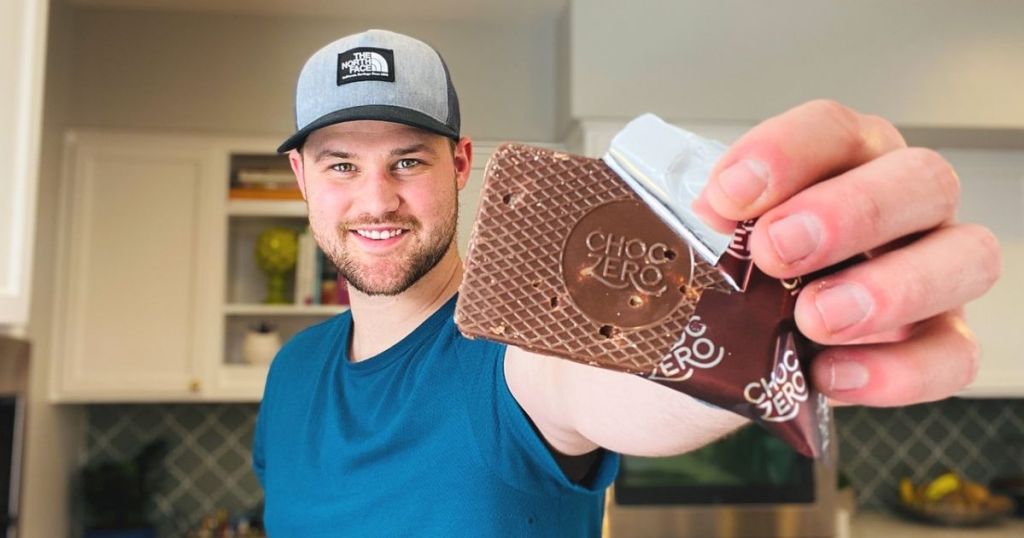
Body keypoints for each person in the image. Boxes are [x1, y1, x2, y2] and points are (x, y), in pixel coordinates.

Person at [252, 29, 1001, 535]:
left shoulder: (514, 352)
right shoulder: (292, 372)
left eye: (408, 160)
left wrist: (783, 305)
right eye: (341, 164)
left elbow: (609, 390)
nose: (376, 198)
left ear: (460, 163)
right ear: (301, 177)